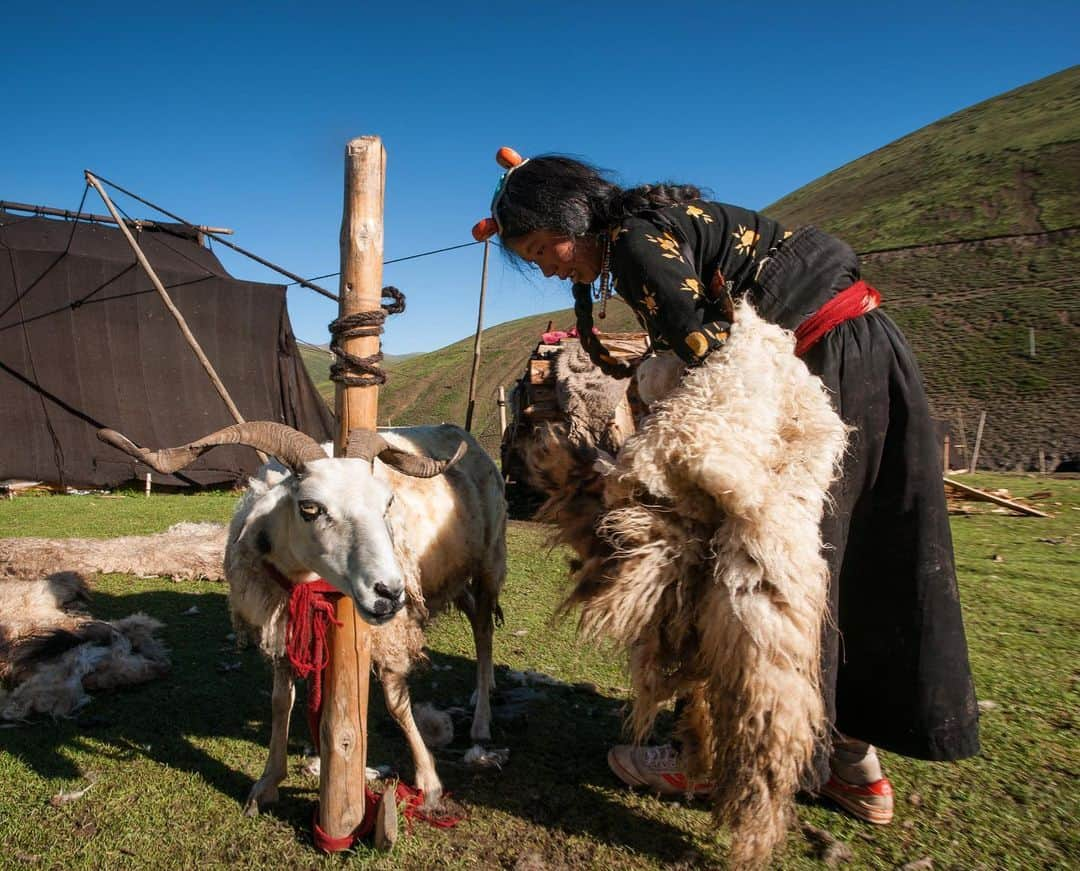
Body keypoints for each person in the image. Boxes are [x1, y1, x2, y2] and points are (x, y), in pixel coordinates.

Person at [473, 149, 980, 826]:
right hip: (868, 353)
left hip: (816, 373)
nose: (546, 265)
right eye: (532, 256)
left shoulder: (631, 243)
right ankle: (852, 763)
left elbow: (706, 357)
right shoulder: (659, 224)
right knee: (849, 560)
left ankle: (715, 759)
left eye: (544, 245)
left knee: (746, 567)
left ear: (573, 215)